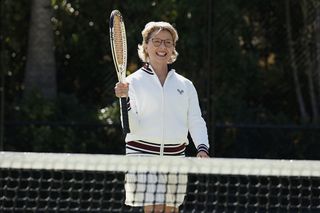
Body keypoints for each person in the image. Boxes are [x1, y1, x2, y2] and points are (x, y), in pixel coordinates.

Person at [114, 21, 210, 213]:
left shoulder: (186, 85)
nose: (162, 47)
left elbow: (196, 119)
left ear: (173, 48)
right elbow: (131, 127)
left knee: (170, 210)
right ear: (146, 46)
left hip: (176, 158)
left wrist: (202, 147)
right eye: (156, 41)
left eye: (168, 42)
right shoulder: (131, 83)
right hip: (142, 157)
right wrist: (124, 99)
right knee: (155, 209)